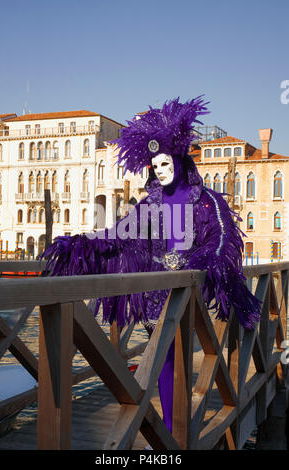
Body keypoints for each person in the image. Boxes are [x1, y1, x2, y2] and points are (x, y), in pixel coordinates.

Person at [43, 96, 261, 433]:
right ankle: (173, 434)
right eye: (155, 165)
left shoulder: (208, 201)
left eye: (166, 163)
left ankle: (176, 432)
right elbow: (118, 236)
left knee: (177, 357)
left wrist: (194, 261)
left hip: (189, 293)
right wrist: (79, 246)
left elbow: (220, 241)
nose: (161, 170)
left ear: (179, 157)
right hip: (154, 295)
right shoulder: (149, 205)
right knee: (163, 361)